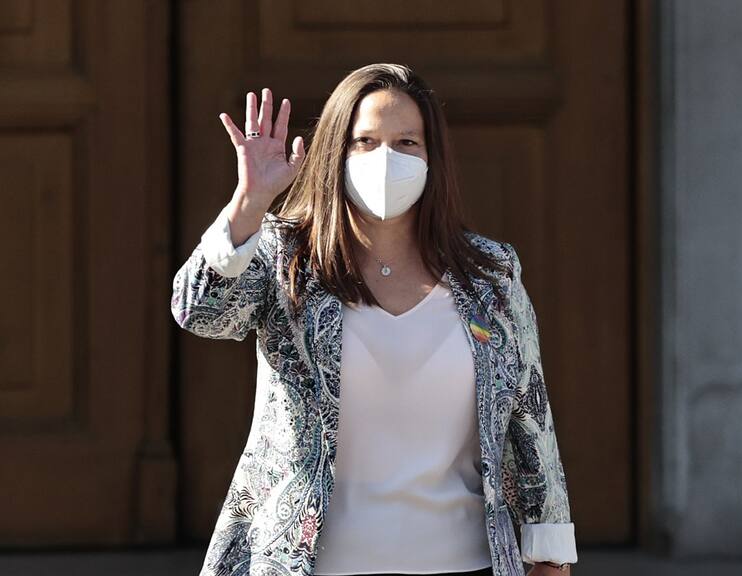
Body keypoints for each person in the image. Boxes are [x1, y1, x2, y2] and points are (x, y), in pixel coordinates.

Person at [171, 63, 577, 576]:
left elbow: (529, 412)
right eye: (365, 141)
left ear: (433, 156)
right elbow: (198, 312)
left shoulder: (490, 275)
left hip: (463, 563)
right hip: (310, 564)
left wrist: (550, 553)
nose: (386, 158)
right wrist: (249, 204)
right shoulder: (285, 258)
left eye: (407, 142)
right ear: (335, 152)